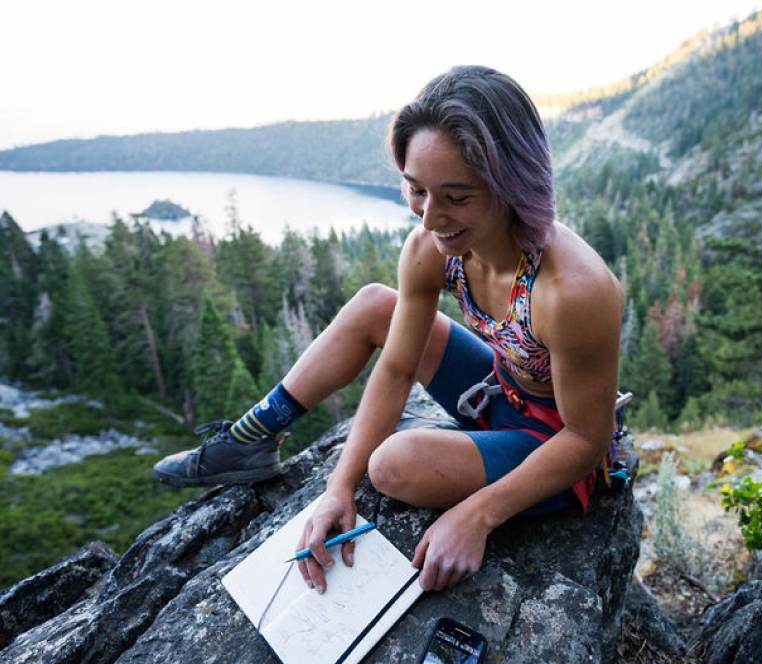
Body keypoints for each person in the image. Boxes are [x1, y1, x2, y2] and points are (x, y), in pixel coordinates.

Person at [154, 66, 624, 595]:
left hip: (555, 442)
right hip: (501, 389)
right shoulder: (435, 249)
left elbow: (588, 436)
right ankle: (253, 438)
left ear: (513, 182)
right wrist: (337, 488)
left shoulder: (574, 291)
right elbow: (398, 366)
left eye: (456, 196)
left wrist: (477, 515)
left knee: (393, 466)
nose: (429, 219)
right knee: (375, 304)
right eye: (415, 189)